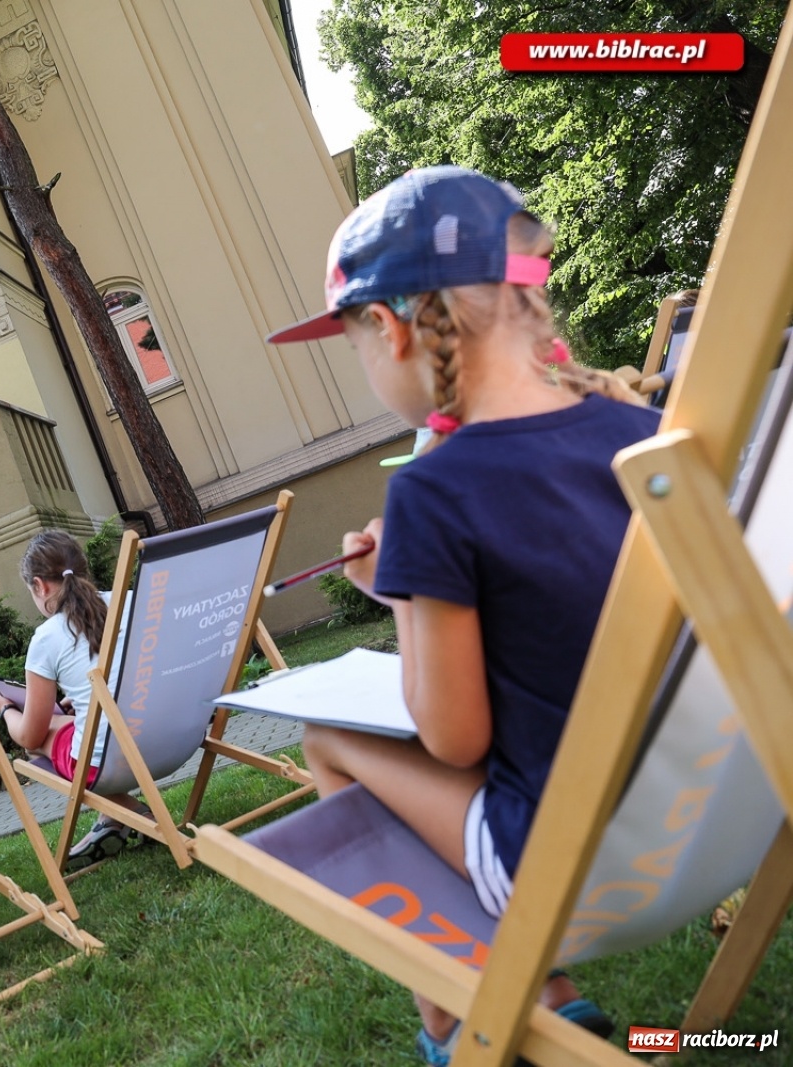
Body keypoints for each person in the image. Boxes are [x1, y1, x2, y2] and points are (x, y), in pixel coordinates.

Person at [265, 165, 657, 1066]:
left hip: (572, 863)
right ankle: (531, 993)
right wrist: (406, 587)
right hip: (712, 814)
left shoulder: (435, 493)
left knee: (330, 735)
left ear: (391, 327)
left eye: (354, 342)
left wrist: (406, 598)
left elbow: (453, 739)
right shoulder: (640, 431)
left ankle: (459, 1011)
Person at [0, 531, 146, 871]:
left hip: (114, 761)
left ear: (40, 586)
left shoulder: (48, 637)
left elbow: (30, 736)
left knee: (42, 737)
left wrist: (5, 709)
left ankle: (130, 812)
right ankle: (112, 819)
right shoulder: (132, 600)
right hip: (168, 736)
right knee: (70, 723)